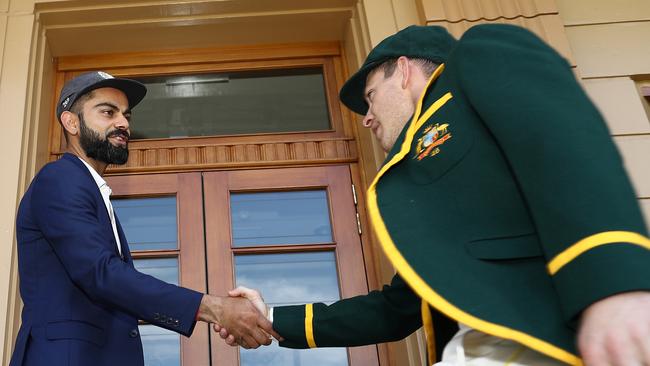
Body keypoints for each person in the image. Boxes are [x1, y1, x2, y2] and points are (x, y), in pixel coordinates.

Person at [216, 24, 650, 365]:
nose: (366, 119)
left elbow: (562, 146)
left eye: (369, 98)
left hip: (553, 337)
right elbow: (397, 308)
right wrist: (270, 318)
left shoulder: (479, 57)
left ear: (403, 71)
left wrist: (617, 289)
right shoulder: (420, 178)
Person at [10, 71, 280, 366]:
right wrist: (214, 307)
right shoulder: (59, 178)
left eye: (126, 115)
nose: (123, 123)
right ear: (71, 122)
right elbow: (100, 273)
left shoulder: (92, 191)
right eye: (107, 112)